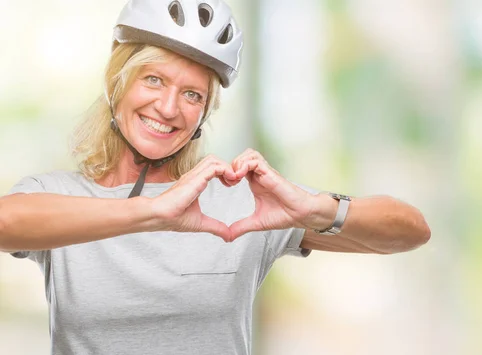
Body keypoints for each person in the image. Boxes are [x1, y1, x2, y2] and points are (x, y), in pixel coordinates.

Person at [0, 0, 430, 354]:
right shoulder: (58, 196)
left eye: (192, 95)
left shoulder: (239, 202)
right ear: (118, 83)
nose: (169, 108)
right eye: (154, 80)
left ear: (205, 112)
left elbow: (410, 231)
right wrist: (149, 212)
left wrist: (313, 207)